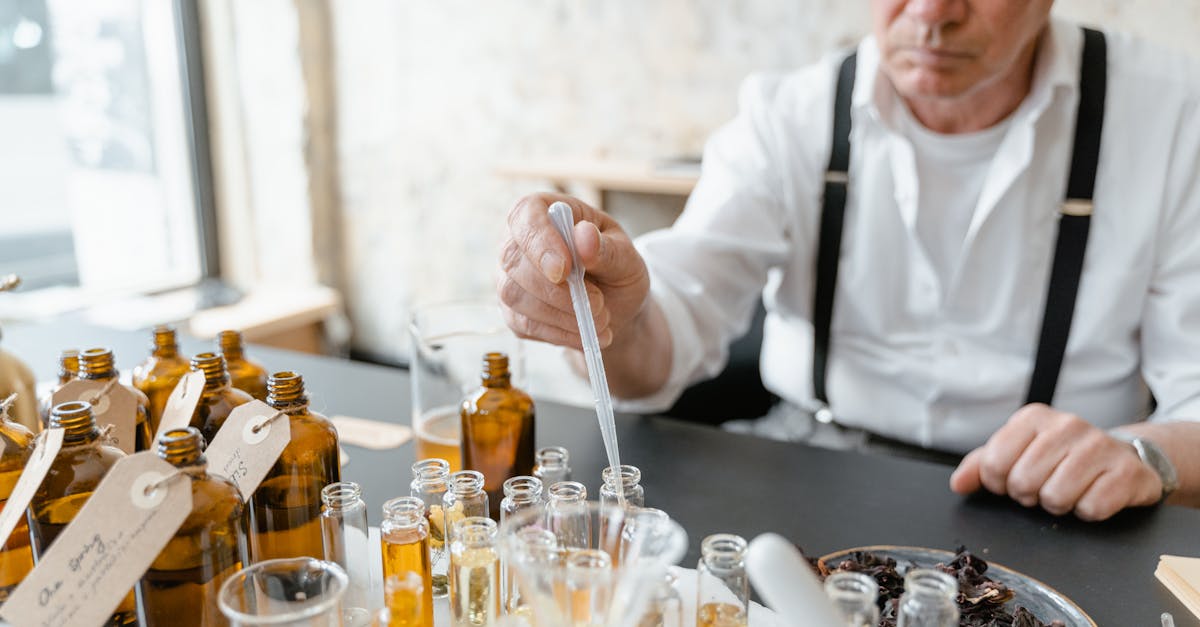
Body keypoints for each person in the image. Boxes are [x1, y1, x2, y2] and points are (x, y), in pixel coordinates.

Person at [497, 0, 1200, 522]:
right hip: (810, 467)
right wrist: (611, 316)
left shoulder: (1170, 116)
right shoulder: (791, 112)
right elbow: (667, 332)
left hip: (1056, 509)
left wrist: (1145, 457)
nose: (932, 13)